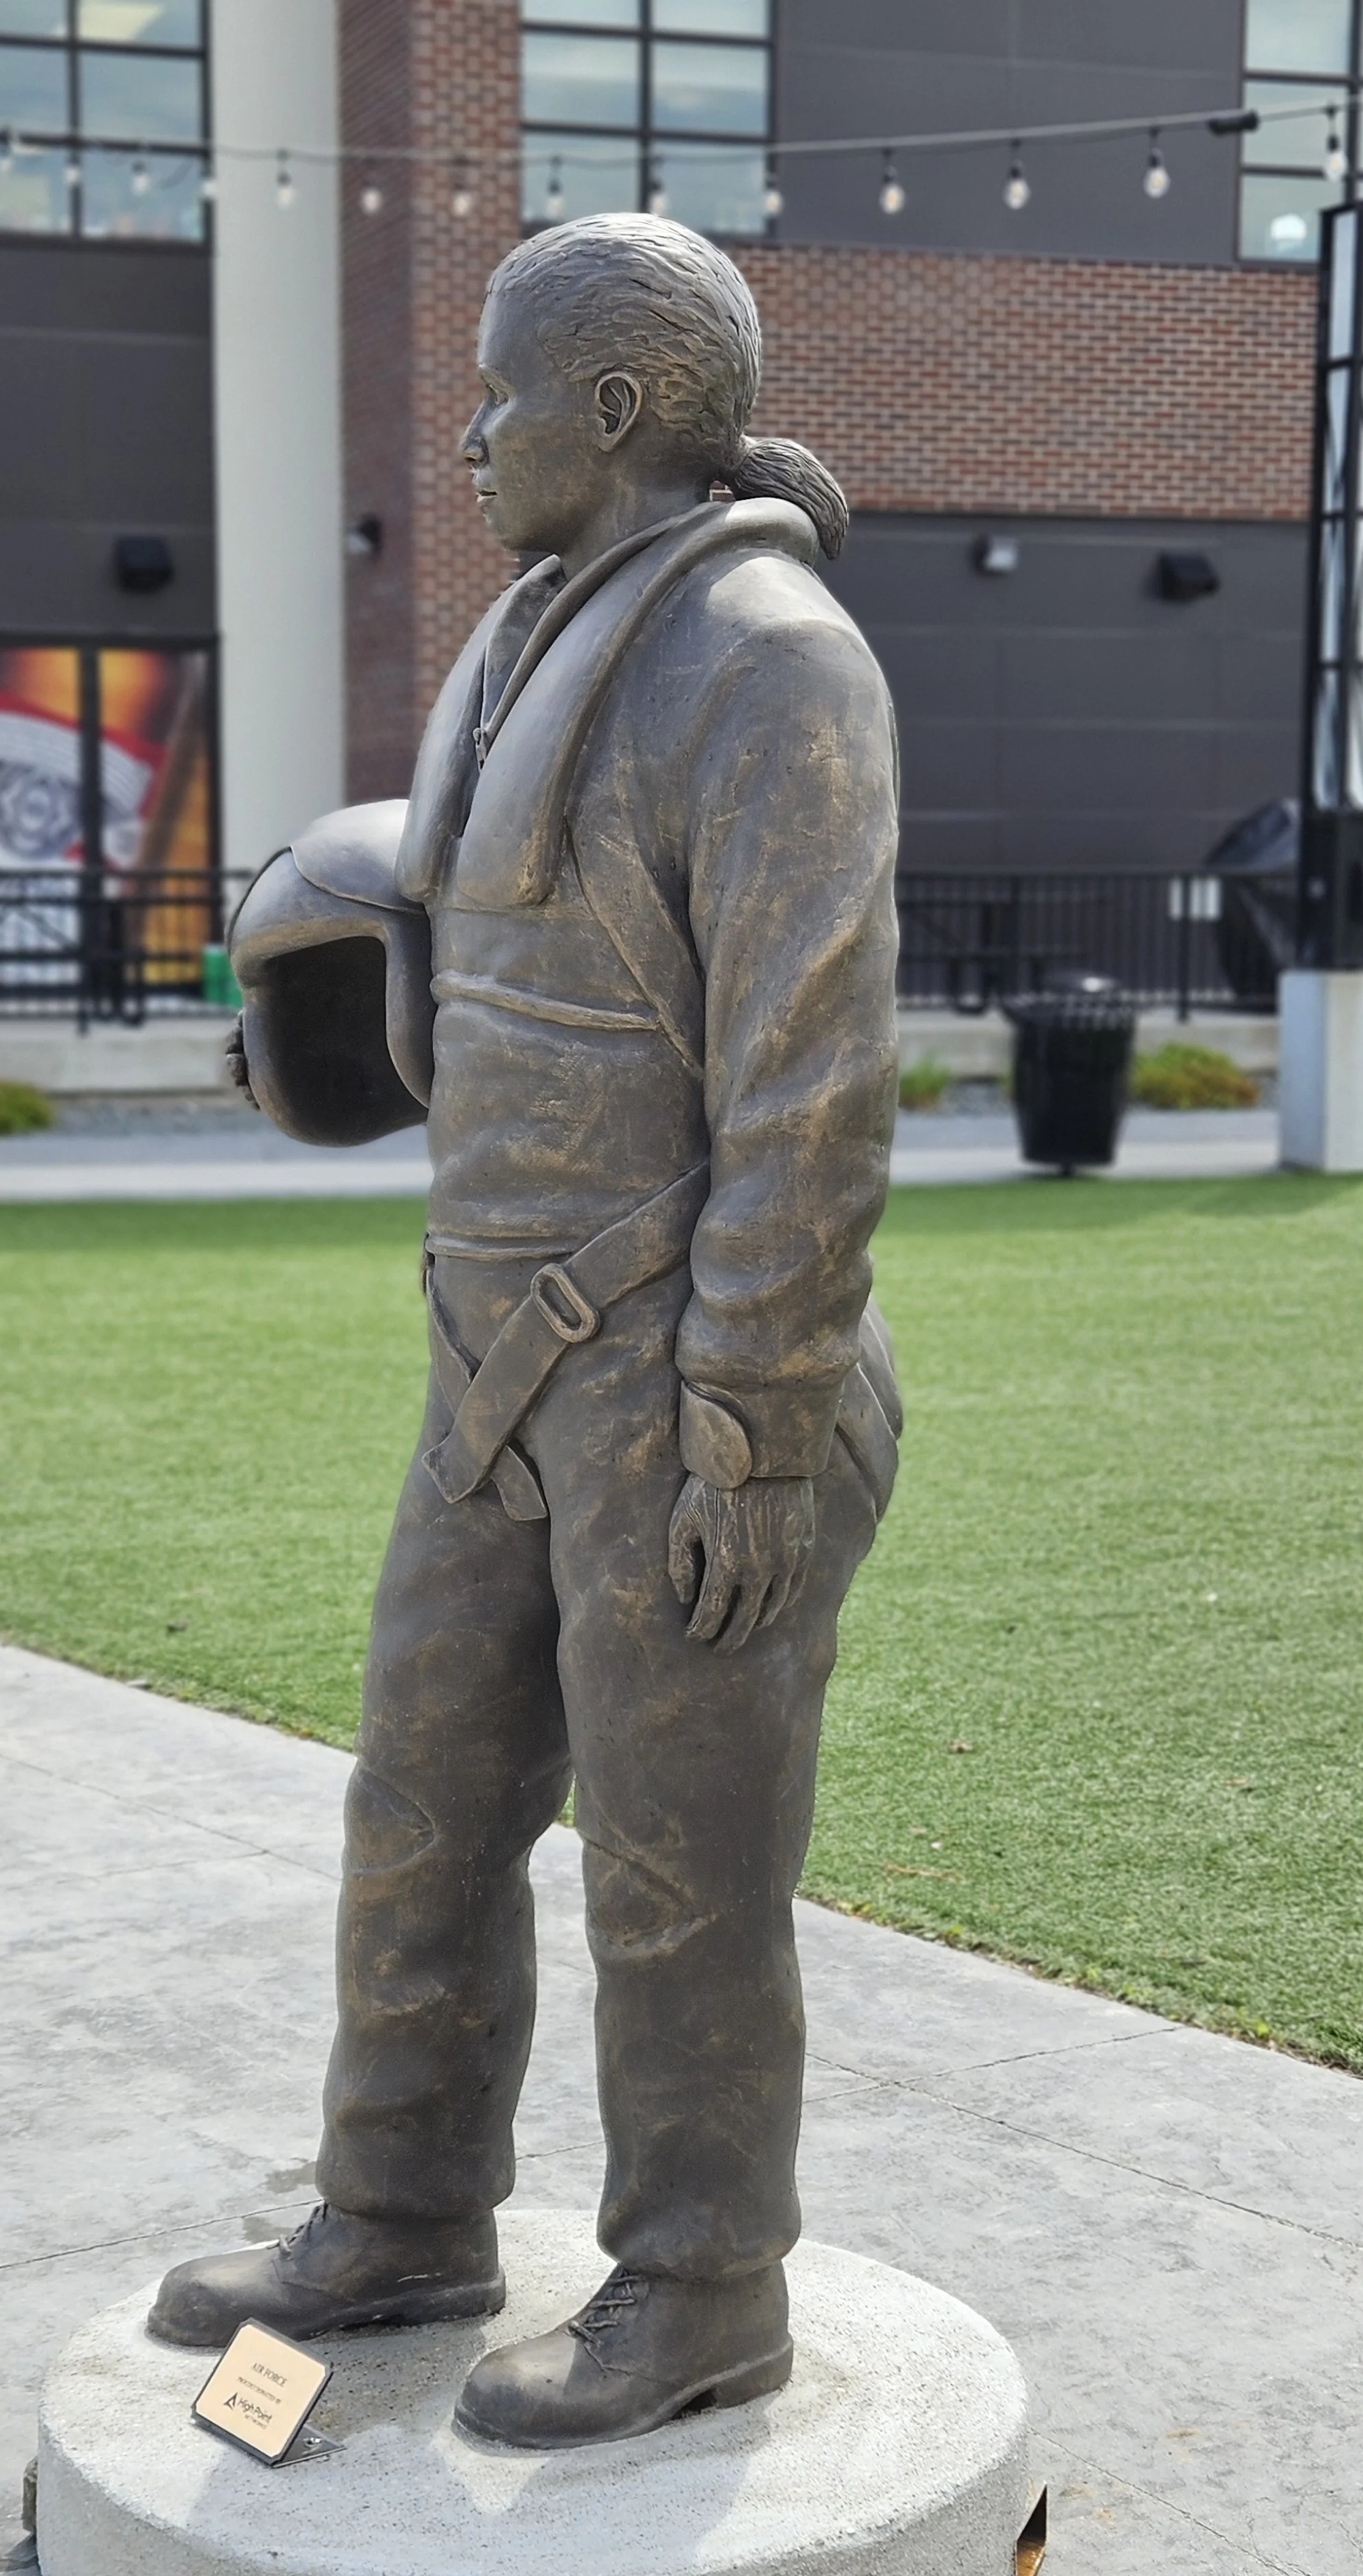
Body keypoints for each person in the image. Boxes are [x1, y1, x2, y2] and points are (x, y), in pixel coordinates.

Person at [150, 212, 902, 2449]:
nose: (465, 433)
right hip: (495, 1365)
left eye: (497, 392)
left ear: (615, 406)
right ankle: (396, 2218)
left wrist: (754, 1423)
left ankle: (700, 2288)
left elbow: (813, 1078)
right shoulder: (527, 627)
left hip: (682, 1385)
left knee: (678, 1872)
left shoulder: (768, 656)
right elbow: (495, 959)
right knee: (423, 1806)